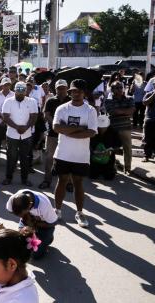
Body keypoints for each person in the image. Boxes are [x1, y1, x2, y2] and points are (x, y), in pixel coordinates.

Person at [52, 79, 98, 228]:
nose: (75, 93)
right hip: (63, 153)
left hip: (81, 155)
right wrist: (79, 130)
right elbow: (56, 127)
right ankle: (57, 210)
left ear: (84, 93)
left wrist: (69, 131)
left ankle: (79, 212)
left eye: (78, 91)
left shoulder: (90, 110)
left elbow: (91, 131)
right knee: (62, 181)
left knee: (78, 183)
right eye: (73, 91)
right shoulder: (62, 109)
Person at [1, 82, 38, 186]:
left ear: (26, 91)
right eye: (18, 92)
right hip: (12, 134)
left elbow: (34, 116)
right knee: (11, 157)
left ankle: (25, 179)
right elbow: (6, 117)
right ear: (15, 91)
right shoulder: (8, 101)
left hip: (26, 134)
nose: (20, 94)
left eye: (22, 92)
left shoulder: (32, 101)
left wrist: (26, 127)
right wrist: (17, 127)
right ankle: (8, 178)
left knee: (25, 157)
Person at [6, 189, 58, 259]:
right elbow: (10, 210)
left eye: (22, 214)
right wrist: (26, 218)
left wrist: (34, 223)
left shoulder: (44, 205)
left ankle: (48, 239)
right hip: (27, 221)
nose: (21, 216)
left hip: (44, 226)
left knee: (34, 255)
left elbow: (53, 223)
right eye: (19, 215)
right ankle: (44, 239)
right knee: (20, 246)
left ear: (30, 205)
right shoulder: (13, 199)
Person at [40, 80, 71, 189]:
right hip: (53, 133)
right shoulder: (50, 101)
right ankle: (47, 180)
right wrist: (56, 124)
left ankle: (68, 182)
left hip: (68, 134)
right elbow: (46, 115)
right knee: (49, 158)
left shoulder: (71, 101)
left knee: (67, 158)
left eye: (63, 88)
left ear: (67, 89)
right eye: (59, 88)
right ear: (55, 89)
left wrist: (66, 127)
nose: (61, 90)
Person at [104, 81, 135, 174]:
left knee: (127, 148)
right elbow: (112, 111)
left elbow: (132, 110)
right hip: (113, 128)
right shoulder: (108, 100)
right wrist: (125, 111)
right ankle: (112, 166)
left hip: (126, 127)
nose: (120, 89)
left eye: (121, 87)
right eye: (117, 88)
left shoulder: (129, 98)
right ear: (112, 90)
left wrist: (119, 111)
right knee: (112, 148)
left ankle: (128, 168)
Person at [0, 78, 14, 169]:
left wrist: (6, 120)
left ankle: (11, 161)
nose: (6, 86)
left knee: (10, 143)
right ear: (2, 85)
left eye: (8, 84)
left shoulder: (13, 95)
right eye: (5, 85)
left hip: (11, 122)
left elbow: (13, 109)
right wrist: (3, 119)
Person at [89, 115, 119, 180]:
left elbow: (118, 144)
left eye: (104, 127)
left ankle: (112, 168)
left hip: (108, 158)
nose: (102, 129)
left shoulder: (113, 131)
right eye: (100, 127)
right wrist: (93, 152)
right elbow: (87, 144)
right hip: (94, 159)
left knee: (109, 177)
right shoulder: (92, 130)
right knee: (93, 175)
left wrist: (111, 150)